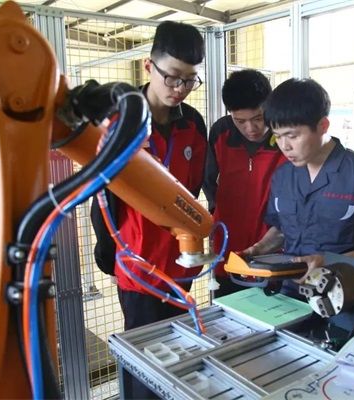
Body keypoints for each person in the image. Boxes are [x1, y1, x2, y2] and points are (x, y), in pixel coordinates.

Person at [90, 20, 207, 399]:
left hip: (181, 263)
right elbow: (102, 198)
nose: (179, 88)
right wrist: (108, 253)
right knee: (143, 362)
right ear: (148, 66)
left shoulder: (194, 124)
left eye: (189, 80)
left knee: (179, 356)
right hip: (138, 265)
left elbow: (190, 192)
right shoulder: (119, 123)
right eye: (171, 77)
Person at [242, 78, 354, 322]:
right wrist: (257, 250)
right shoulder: (283, 176)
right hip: (290, 296)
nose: (285, 146)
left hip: (343, 299)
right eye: (277, 137)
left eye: (292, 136)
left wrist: (330, 262)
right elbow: (282, 229)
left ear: (323, 125)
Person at [203, 69, 285, 297]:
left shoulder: (285, 137)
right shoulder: (221, 132)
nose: (250, 128)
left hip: (271, 247)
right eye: (240, 121)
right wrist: (215, 211)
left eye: (258, 118)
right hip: (228, 244)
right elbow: (207, 178)